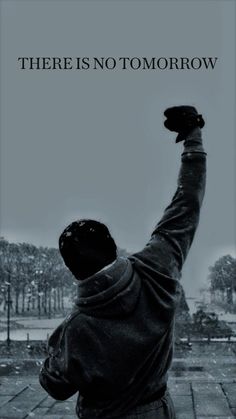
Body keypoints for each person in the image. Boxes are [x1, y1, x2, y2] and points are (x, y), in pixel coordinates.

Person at [39, 106, 207, 418]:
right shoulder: (158, 266)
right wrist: (193, 139)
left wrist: (53, 348)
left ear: (72, 269)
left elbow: (55, 385)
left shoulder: (77, 327)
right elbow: (187, 202)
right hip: (157, 409)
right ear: (114, 247)